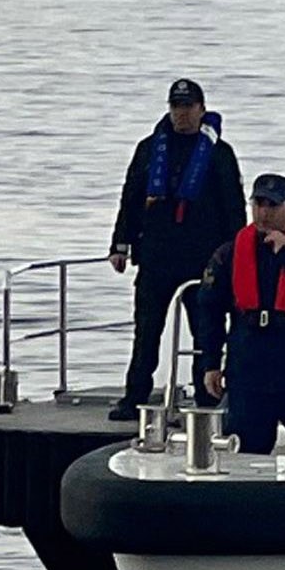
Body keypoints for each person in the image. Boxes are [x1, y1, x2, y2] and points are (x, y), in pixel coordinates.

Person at [108, 77, 243, 417]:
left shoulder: (219, 154)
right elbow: (131, 199)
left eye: (188, 107)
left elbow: (234, 209)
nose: (182, 114)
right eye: (176, 107)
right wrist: (120, 244)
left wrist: (236, 255)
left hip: (203, 259)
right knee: (147, 331)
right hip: (157, 257)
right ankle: (134, 396)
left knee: (206, 333)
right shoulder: (149, 148)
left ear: (201, 109)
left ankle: (207, 398)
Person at [192, 174, 285, 458]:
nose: (264, 212)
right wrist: (210, 363)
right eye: (258, 203)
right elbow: (209, 310)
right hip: (249, 362)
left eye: (272, 205)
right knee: (246, 449)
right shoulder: (229, 253)